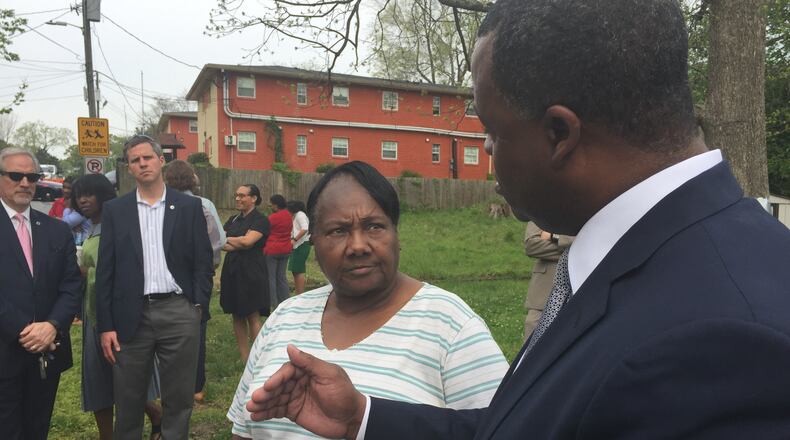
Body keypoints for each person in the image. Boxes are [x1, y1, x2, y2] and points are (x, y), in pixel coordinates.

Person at [243, 0, 790, 438]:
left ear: (558, 135)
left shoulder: (726, 345)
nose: (485, 151)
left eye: (492, 130)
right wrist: (363, 418)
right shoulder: (642, 254)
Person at [227, 161, 508, 439]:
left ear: (395, 233)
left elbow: (508, 429)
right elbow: (243, 429)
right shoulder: (284, 316)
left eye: (374, 226)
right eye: (338, 230)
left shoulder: (451, 324)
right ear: (313, 241)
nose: (358, 246)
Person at [95, 134, 214, 440]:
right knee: (129, 398)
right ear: (129, 168)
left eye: (147, 157)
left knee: (178, 398)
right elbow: (106, 271)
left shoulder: (188, 207)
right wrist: (106, 325)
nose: (142, 164)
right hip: (130, 315)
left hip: (178, 310)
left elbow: (203, 261)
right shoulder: (116, 211)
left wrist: (198, 306)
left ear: (161, 161)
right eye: (135, 160)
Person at [72, 173, 163, 440]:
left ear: (103, 195)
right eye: (79, 195)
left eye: (89, 194)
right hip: (93, 314)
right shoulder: (91, 227)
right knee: (98, 382)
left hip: (117, 316)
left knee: (127, 379)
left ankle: (154, 414)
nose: (83, 200)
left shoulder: (118, 226)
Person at [0, 147, 82, 439]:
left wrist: (51, 326)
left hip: (47, 352)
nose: (25, 183)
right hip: (5, 349)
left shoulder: (56, 230)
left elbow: (72, 285)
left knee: (38, 428)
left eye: (31, 176)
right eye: (15, 175)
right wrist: (24, 331)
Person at [164, 159, 226, 402]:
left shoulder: (163, 203)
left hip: (168, 275)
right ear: (192, 178)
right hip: (200, 274)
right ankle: (196, 386)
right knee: (197, 325)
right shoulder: (204, 204)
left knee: (167, 327)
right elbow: (219, 240)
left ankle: (168, 383)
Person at [221, 184, 271, 363]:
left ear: (254, 198)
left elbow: (248, 242)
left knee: (252, 313)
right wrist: (238, 240)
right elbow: (221, 244)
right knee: (236, 313)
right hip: (232, 270)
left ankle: (258, 358)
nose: (238, 199)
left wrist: (235, 240)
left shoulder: (261, 220)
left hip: (252, 271)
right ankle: (244, 357)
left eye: (242, 196)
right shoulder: (233, 219)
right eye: (237, 195)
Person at [522, 222, 573, 340]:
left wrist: (554, 236)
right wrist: (572, 250)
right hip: (542, 298)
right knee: (533, 351)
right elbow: (532, 246)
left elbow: (590, 241)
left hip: (579, 294)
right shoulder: (540, 208)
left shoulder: (586, 207)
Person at [264, 194, 292, 308]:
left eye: (271, 204)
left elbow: (264, 229)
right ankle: (286, 302)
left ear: (276, 205)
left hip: (272, 249)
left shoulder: (273, 217)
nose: (270, 206)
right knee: (281, 277)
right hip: (285, 248)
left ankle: (273, 304)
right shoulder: (288, 215)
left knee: (271, 277)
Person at [49, 175, 92, 245]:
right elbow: (50, 220)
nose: (65, 190)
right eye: (64, 187)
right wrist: (72, 227)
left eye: (69, 188)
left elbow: (63, 224)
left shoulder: (80, 206)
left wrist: (62, 221)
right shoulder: (57, 203)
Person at [286, 200, 310, 295]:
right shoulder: (296, 215)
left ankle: (300, 294)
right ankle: (298, 293)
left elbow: (305, 228)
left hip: (302, 244)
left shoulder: (300, 215)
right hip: (297, 245)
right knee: (295, 270)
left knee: (299, 270)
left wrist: (294, 240)